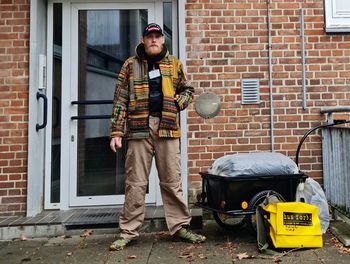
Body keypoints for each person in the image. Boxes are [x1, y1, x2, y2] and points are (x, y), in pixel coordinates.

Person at [109, 23, 206, 251]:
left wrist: (176, 103)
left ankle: (180, 226)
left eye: (157, 36)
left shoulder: (174, 64)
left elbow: (188, 90)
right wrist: (116, 131)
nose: (153, 40)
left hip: (167, 128)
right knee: (135, 183)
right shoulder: (130, 65)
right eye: (149, 36)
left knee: (172, 180)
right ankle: (129, 232)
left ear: (163, 40)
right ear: (143, 39)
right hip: (138, 128)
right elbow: (120, 99)